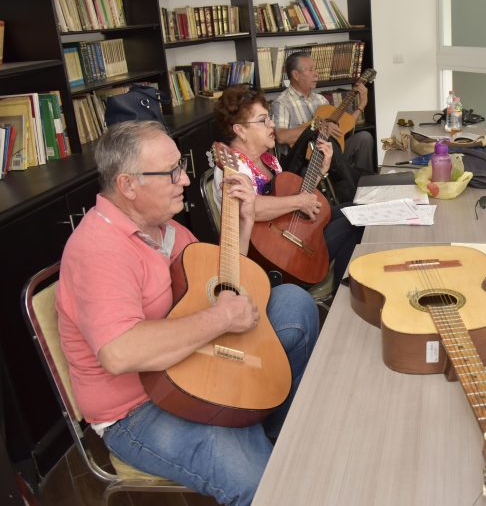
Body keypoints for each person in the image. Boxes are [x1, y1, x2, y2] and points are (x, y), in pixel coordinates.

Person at [55, 121, 320, 506]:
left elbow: (222, 285)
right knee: (261, 482)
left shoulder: (167, 229)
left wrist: (244, 223)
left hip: (193, 362)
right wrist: (219, 320)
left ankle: (276, 432)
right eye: (171, 172)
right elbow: (119, 352)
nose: (184, 179)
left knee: (293, 302)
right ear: (128, 185)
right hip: (139, 406)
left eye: (181, 166)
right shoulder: (99, 250)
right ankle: (265, 456)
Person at [213, 85, 363, 290]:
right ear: (240, 129)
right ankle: (344, 294)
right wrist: (299, 201)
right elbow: (250, 208)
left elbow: (289, 196)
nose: (272, 124)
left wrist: (319, 172)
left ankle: (345, 288)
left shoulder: (268, 160)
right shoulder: (231, 167)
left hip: (288, 231)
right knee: (352, 223)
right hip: (275, 254)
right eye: (262, 120)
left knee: (355, 209)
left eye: (269, 118)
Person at [271, 51, 376, 202]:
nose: (317, 74)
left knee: (364, 137)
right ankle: (359, 195)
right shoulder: (282, 103)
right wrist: (316, 125)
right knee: (331, 145)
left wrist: (362, 103)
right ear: (295, 74)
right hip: (305, 162)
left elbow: (343, 125)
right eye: (311, 70)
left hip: (331, 154)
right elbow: (281, 136)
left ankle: (365, 184)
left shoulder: (320, 100)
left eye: (315, 69)